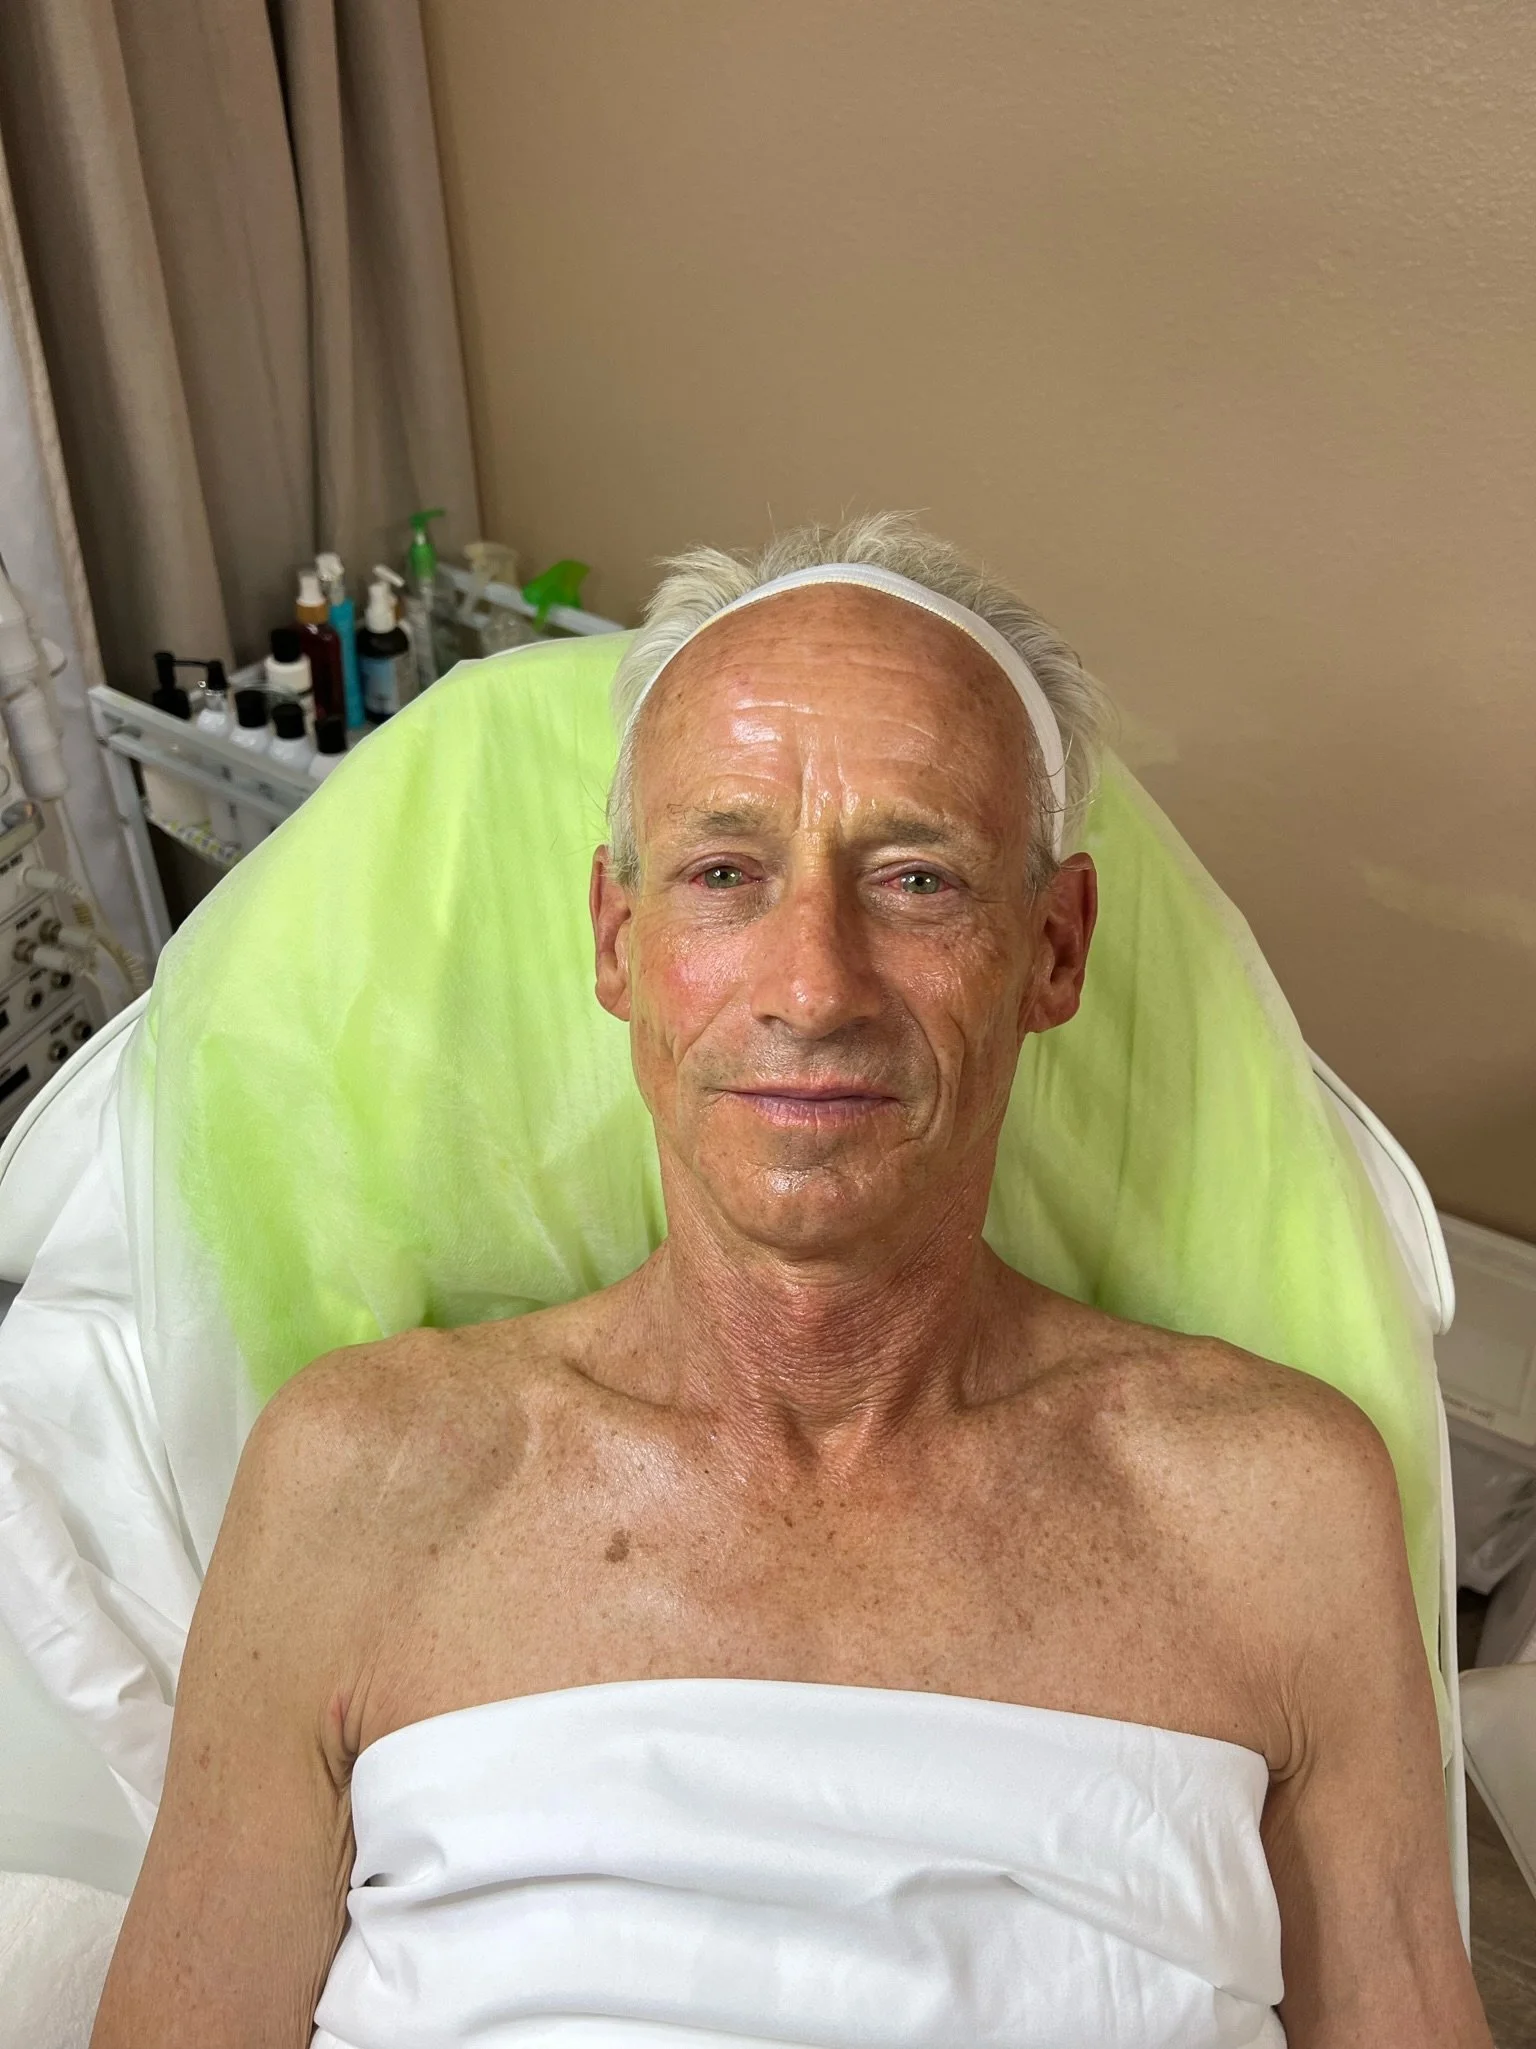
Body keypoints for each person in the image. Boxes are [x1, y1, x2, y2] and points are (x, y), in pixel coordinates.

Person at [92, 517, 1490, 2048]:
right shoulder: (363, 1476)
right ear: (620, 943)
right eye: (723, 871)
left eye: (917, 878)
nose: (814, 986)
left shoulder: (1269, 1507)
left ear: (1054, 952)